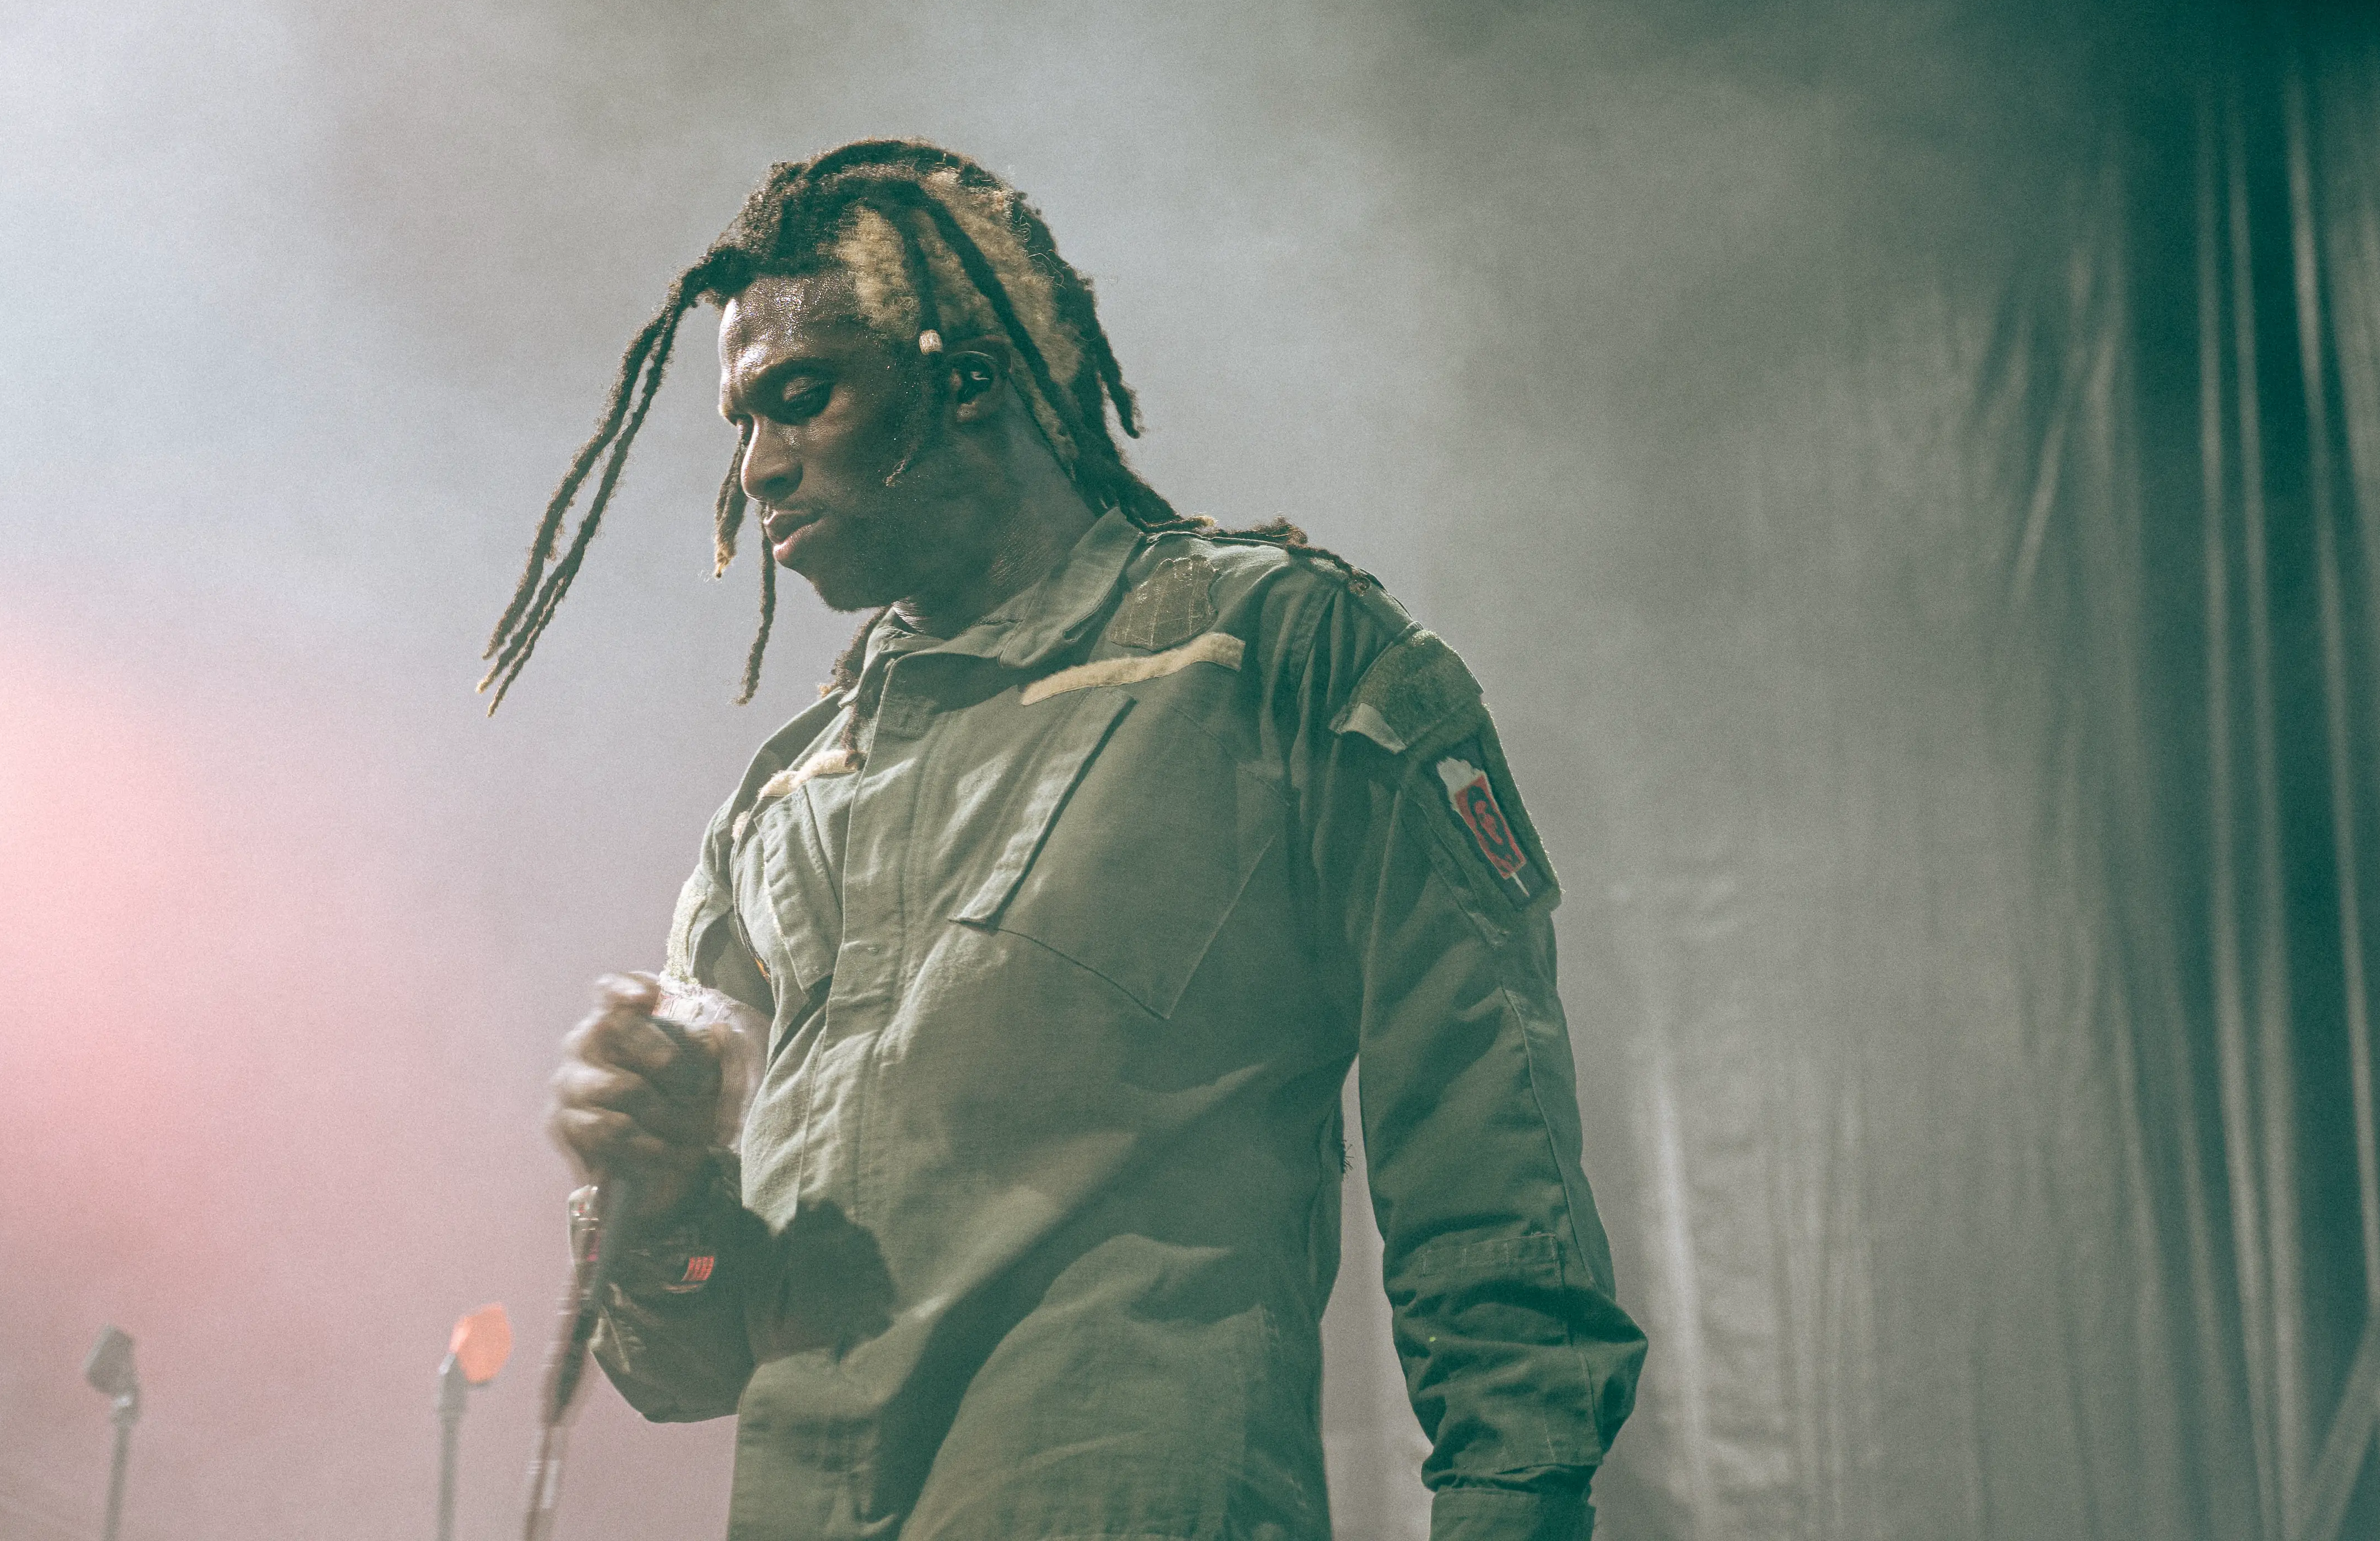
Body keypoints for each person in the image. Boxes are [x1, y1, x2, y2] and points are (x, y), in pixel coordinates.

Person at [487, 140, 1645, 1540]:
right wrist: (659, 1186)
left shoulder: (1270, 653)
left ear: (966, 378)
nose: (758, 466)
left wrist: (1514, 1499)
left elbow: (1486, 1152)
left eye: (802, 396)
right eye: (739, 419)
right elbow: (685, 1366)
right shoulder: (783, 800)